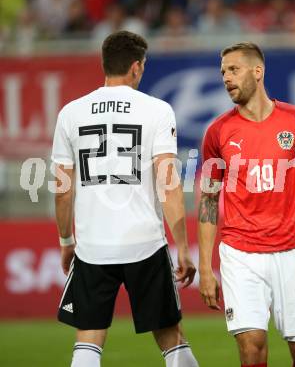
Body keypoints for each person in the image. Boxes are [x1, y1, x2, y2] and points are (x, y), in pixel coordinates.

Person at [51, 30, 198, 367]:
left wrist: (65, 239)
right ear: (135, 67)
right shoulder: (157, 110)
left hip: (92, 245)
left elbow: (61, 187)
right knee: (171, 337)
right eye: (142, 66)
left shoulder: (71, 113)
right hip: (144, 242)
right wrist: (184, 249)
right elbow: (168, 182)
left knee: (88, 339)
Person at [197, 42, 295, 367]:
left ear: (257, 72)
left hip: (292, 251)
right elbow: (208, 200)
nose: (226, 78)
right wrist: (204, 266)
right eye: (223, 72)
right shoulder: (218, 132)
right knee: (252, 348)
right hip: (240, 254)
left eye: (234, 69)